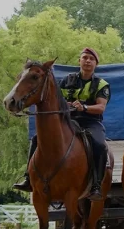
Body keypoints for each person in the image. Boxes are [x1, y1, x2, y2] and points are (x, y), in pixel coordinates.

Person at [13, 47, 111, 201]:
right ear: (79, 61)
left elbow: (101, 107)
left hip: (90, 122)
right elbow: (55, 100)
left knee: (99, 144)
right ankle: (28, 178)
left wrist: (84, 107)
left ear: (96, 64)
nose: (87, 61)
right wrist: (67, 104)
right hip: (66, 120)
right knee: (36, 139)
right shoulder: (67, 80)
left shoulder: (101, 84)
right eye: (85, 57)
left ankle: (96, 185)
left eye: (91, 59)